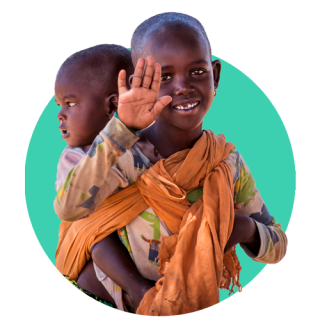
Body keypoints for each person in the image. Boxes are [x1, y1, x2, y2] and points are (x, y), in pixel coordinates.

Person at [54, 12, 288, 316]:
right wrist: (121, 127)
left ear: (215, 76)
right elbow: (70, 209)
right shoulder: (121, 155)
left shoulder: (225, 163)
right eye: (164, 76)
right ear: (140, 83)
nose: (183, 87)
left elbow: (279, 246)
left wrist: (242, 228)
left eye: (197, 72)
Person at [54, 43, 155, 312]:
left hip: (159, 260)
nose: (60, 115)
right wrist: (115, 136)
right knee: (96, 230)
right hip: (102, 284)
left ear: (112, 105)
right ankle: (139, 291)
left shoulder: (148, 146)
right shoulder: (75, 157)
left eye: (70, 103)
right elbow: (72, 206)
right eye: (60, 104)